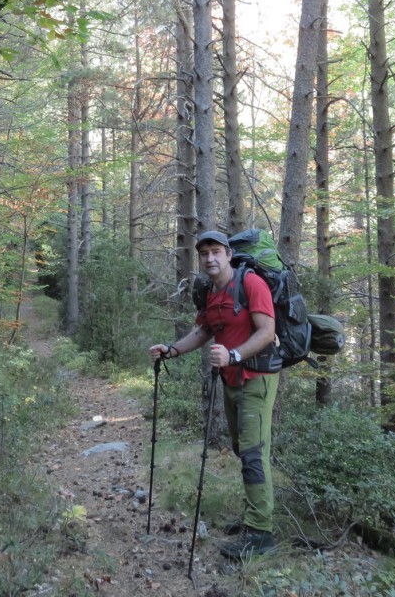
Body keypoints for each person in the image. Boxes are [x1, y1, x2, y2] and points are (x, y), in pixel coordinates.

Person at [149, 230, 279, 559]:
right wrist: (172, 350)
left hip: (257, 377)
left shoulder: (251, 284)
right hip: (232, 380)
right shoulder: (210, 291)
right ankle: (254, 518)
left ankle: (261, 533)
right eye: (204, 253)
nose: (210, 258)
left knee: (252, 453)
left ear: (229, 254)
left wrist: (234, 355)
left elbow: (267, 332)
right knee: (241, 448)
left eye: (216, 251)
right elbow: (205, 330)